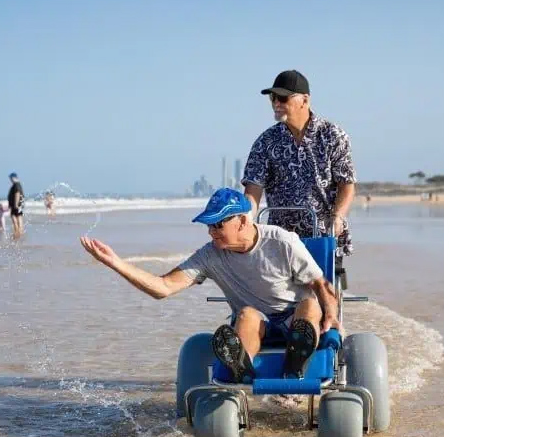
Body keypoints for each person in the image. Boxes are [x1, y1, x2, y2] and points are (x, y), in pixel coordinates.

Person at [80, 188, 341, 384]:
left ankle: (296, 364)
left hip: (295, 318)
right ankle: (243, 369)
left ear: (242, 221)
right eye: (209, 226)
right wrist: (115, 263)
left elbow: (321, 285)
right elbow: (163, 287)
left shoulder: (282, 242)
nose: (211, 232)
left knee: (309, 304)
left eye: (218, 225)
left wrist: (331, 316)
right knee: (247, 314)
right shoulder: (210, 255)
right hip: (257, 322)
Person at [242, 70, 357, 258]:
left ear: (305, 100)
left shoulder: (333, 135)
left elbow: (347, 184)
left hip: (322, 235)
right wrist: (245, 221)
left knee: (323, 287)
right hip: (280, 239)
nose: (276, 104)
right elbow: (253, 188)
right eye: (273, 98)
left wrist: (338, 217)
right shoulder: (266, 141)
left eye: (283, 98)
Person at [7, 172, 24, 238]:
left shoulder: (16, 185)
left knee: (16, 217)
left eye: (11, 178)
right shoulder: (17, 184)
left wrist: (16, 204)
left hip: (16, 205)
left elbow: (17, 193)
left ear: (14, 178)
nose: (10, 180)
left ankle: (18, 232)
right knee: (18, 217)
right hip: (17, 205)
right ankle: (19, 231)